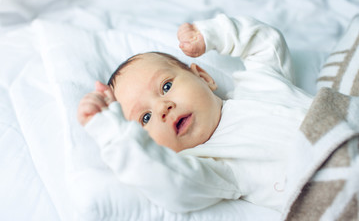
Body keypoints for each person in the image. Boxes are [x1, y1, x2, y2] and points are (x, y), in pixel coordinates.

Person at [77, 14, 313, 213]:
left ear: (203, 77)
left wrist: (211, 34)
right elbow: (166, 180)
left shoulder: (257, 83)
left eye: (166, 86)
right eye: (145, 118)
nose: (162, 107)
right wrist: (109, 130)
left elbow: (265, 43)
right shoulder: (214, 164)